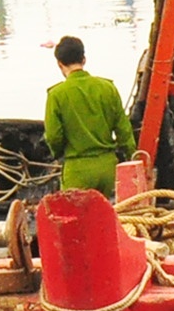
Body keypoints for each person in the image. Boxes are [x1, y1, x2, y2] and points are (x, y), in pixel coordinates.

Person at [42, 35, 135, 200]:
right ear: (84, 59)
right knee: (102, 218)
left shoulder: (56, 95)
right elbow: (124, 130)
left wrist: (58, 153)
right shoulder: (108, 88)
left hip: (77, 171)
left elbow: (54, 136)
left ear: (59, 64)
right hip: (107, 169)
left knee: (76, 220)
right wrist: (132, 156)